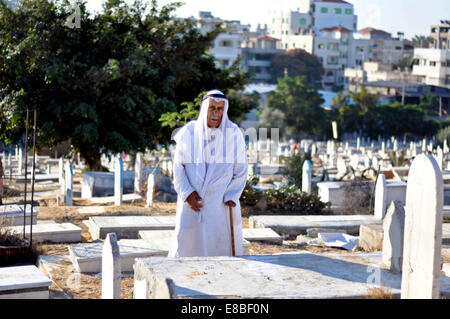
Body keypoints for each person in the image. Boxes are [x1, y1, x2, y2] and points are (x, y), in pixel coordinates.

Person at [168, 89, 248, 257]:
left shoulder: (234, 134)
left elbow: (241, 170)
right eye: (212, 107)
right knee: (188, 248)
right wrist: (187, 192)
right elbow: (178, 167)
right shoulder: (189, 132)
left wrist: (232, 195)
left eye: (220, 109)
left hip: (221, 204)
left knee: (219, 252)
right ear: (205, 108)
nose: (215, 113)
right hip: (192, 202)